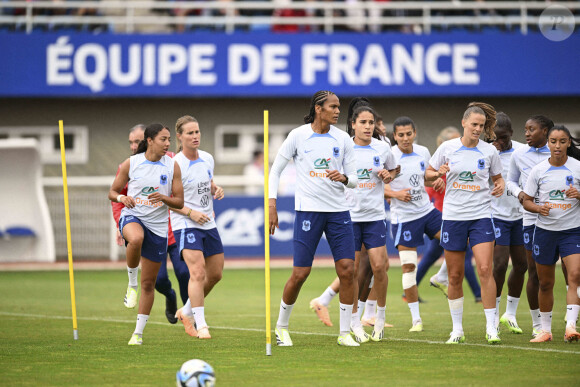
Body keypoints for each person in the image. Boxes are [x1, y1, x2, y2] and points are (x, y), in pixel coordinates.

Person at [269, 90, 360, 347]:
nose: (338, 111)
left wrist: (343, 178)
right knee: (300, 273)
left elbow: (354, 180)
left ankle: (344, 333)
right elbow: (275, 171)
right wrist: (271, 204)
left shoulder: (343, 139)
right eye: (333, 106)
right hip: (308, 211)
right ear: (319, 109)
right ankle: (282, 327)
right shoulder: (298, 135)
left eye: (339, 107)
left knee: (348, 270)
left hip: (338, 212)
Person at [426, 102, 505, 345]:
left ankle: (492, 327)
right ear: (464, 123)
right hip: (453, 218)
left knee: (484, 269)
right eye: (474, 124)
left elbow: (498, 178)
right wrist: (438, 173)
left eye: (481, 126)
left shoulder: (489, 152)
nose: (477, 129)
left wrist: (500, 185)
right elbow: (427, 176)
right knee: (455, 275)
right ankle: (457, 330)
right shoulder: (447, 148)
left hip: (481, 215)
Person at [108, 123, 184, 345]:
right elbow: (113, 192)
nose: (168, 143)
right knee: (136, 238)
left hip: (159, 227)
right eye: (163, 139)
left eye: (169, 139)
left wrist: (164, 198)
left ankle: (138, 334)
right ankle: (131, 284)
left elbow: (179, 201)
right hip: (133, 216)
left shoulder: (173, 166)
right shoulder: (131, 163)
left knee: (150, 284)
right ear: (149, 140)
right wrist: (123, 199)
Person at [385, 116, 445, 332]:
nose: (405, 138)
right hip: (405, 219)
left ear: (414, 133)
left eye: (408, 133)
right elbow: (374, 187)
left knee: (458, 240)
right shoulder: (389, 156)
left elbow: (423, 179)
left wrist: (436, 178)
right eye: (400, 135)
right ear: (395, 137)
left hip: (427, 211)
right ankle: (416, 320)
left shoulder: (423, 152)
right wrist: (395, 194)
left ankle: (441, 277)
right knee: (409, 268)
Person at [522, 125, 580, 343]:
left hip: (572, 232)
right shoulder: (538, 171)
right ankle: (545, 331)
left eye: (562, 141)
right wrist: (539, 208)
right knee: (545, 283)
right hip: (545, 232)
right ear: (548, 142)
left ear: (568, 143)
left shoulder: (577, 167)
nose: (557, 146)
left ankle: (571, 327)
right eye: (553, 141)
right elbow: (526, 200)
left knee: (575, 275)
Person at [345, 104, 397, 342]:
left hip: (375, 217)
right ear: (353, 124)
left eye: (371, 122)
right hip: (350, 217)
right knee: (353, 271)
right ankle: (354, 321)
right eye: (363, 122)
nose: (368, 127)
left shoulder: (382, 147)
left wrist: (389, 176)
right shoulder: (344, 147)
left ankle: (379, 317)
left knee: (379, 266)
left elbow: (394, 169)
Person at [170, 115, 225, 340]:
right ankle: (201, 325)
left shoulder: (207, 158)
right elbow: (168, 199)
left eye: (197, 132)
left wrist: (216, 189)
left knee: (215, 274)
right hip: (185, 222)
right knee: (197, 272)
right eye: (190, 133)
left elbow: (207, 183)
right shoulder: (175, 164)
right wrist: (190, 213)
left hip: (208, 222)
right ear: (180, 137)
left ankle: (186, 311)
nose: (195, 136)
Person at [417, 127, 481, 303]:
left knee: (431, 256)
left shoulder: (458, 165)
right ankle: (478, 294)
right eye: (453, 140)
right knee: (463, 254)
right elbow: (427, 188)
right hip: (445, 218)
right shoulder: (439, 169)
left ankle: (410, 290)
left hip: (456, 216)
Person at [505, 115, 556, 336]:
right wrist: (520, 193)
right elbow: (510, 181)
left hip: (562, 221)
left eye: (531, 129)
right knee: (534, 272)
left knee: (570, 272)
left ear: (545, 131)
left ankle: (571, 320)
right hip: (531, 221)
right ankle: (538, 326)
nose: (526, 133)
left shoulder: (559, 154)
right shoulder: (519, 155)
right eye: (525, 129)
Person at [489, 112, 527, 334]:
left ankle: (509, 313)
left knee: (522, 264)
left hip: (521, 216)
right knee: (501, 264)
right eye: (494, 138)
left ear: (511, 134)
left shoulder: (523, 151)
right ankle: (492, 314)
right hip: (496, 215)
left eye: (502, 138)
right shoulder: (488, 152)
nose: (498, 142)